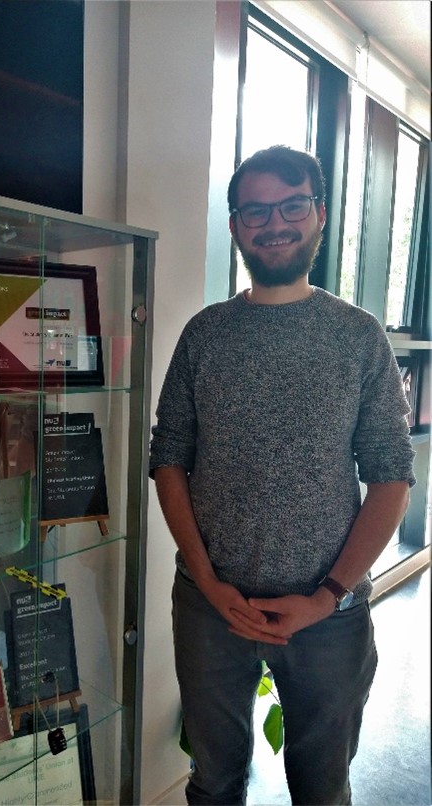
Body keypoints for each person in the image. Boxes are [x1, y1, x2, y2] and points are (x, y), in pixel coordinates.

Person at [149, 145, 416, 806]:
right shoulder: (205, 334)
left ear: (318, 214)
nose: (274, 224)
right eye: (255, 211)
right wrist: (209, 582)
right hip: (211, 607)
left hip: (329, 615)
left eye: (292, 206)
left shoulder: (359, 337)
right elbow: (168, 457)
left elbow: (390, 477)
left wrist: (326, 596)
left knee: (321, 788)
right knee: (213, 782)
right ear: (235, 225)